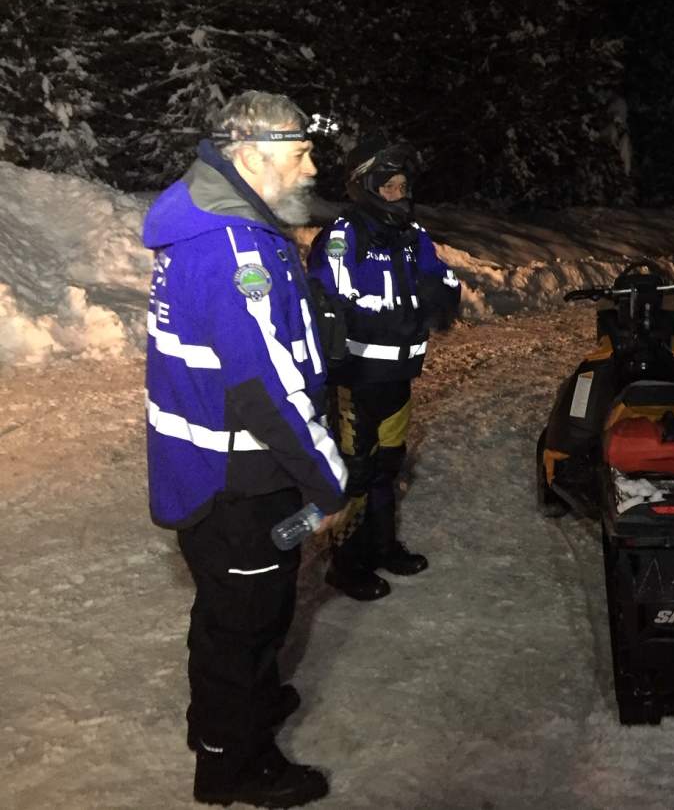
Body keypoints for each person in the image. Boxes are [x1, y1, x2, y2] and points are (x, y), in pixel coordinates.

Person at [143, 91, 348, 806]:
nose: (313, 166)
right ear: (252, 157)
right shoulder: (235, 250)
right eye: (300, 153)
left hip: (211, 474)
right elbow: (268, 393)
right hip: (239, 481)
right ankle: (235, 764)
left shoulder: (217, 223)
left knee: (227, 612)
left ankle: (226, 718)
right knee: (247, 621)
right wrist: (330, 479)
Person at [307, 137, 461, 601]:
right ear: (364, 186)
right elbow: (327, 297)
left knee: (387, 465)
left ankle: (383, 545)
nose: (398, 192)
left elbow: (442, 278)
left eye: (402, 184)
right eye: (387, 185)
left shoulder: (413, 236)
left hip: (399, 376)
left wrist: (442, 294)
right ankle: (346, 564)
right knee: (356, 468)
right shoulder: (343, 236)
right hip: (355, 378)